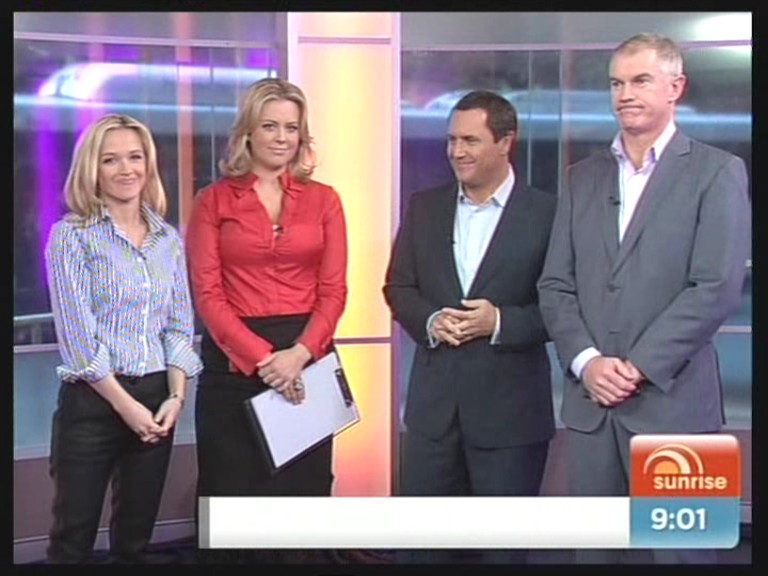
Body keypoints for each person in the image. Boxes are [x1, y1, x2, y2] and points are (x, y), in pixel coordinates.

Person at [537, 33, 751, 564]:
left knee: (685, 556)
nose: (624, 94)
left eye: (640, 81)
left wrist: (636, 367)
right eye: (616, 83)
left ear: (676, 87)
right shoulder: (581, 178)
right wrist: (587, 362)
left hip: (678, 409)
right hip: (592, 411)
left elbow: (715, 287)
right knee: (595, 556)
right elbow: (555, 284)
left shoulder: (718, 172)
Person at [383, 90, 557, 564]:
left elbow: (563, 306)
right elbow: (398, 287)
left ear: (505, 141)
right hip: (433, 418)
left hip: (511, 420)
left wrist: (498, 321)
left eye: (470, 140)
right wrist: (431, 320)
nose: (457, 151)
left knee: (502, 554)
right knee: (422, 553)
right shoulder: (425, 207)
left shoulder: (548, 215)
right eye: (452, 140)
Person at [185, 78, 348, 562]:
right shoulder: (212, 201)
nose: (281, 138)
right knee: (235, 503)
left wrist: (298, 356)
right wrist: (264, 360)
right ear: (248, 133)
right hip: (234, 363)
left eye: (291, 128)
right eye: (270, 126)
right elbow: (208, 295)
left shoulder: (325, 200)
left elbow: (334, 291)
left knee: (302, 502)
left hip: (307, 360)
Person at [44, 114, 203, 563]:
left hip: (157, 397)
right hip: (94, 403)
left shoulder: (167, 239)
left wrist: (176, 397)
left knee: (135, 541)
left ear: (148, 164)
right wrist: (126, 407)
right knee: (72, 539)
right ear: (92, 169)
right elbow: (78, 341)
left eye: (135, 157)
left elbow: (178, 327)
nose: (126, 169)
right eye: (110, 160)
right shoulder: (71, 237)